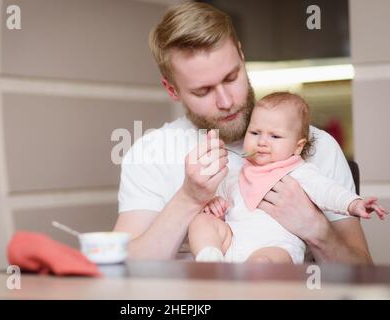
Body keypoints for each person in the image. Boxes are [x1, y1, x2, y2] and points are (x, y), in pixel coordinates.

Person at [113, 2, 373, 264]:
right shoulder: (151, 153)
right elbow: (124, 269)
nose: (225, 101)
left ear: (241, 54)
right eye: (203, 91)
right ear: (172, 90)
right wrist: (189, 198)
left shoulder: (319, 147)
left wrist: (316, 228)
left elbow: (363, 272)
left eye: (231, 77)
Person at [189, 92, 387, 264]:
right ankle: (210, 261)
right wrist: (213, 204)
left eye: (275, 136)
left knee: (262, 263)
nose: (262, 142)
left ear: (298, 146)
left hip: (275, 248)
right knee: (201, 223)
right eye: (255, 133)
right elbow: (221, 197)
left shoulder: (299, 172)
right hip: (232, 242)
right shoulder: (237, 172)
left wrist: (353, 204)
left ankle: (246, 285)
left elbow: (327, 191)